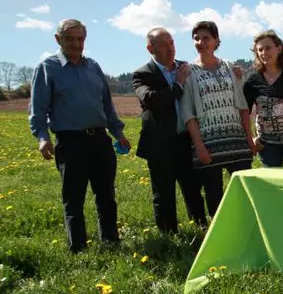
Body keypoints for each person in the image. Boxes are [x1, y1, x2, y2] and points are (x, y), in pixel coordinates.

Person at [29, 19, 130, 252]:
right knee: (74, 198)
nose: (76, 44)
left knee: (106, 194)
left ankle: (111, 241)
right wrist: (42, 137)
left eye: (80, 39)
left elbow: (106, 103)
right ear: (58, 40)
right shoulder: (48, 67)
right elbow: (38, 108)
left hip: (99, 139)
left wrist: (117, 132)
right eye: (70, 39)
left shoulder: (93, 67)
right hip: (70, 142)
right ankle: (79, 248)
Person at [132, 28, 207, 233]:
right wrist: (178, 85)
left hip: (186, 140)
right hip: (159, 144)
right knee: (163, 193)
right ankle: (169, 235)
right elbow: (151, 100)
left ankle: (201, 229)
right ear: (150, 48)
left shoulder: (186, 67)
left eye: (171, 43)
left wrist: (234, 72)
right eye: (164, 45)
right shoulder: (143, 74)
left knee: (192, 189)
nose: (170, 48)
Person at [180, 20, 254, 218]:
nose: (201, 42)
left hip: (236, 142)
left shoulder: (230, 67)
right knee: (215, 199)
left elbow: (242, 105)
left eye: (206, 38)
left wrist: (249, 139)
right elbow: (188, 113)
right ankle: (220, 239)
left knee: (245, 195)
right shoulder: (189, 72)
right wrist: (199, 145)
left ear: (216, 41)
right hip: (208, 143)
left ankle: (247, 231)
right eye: (196, 38)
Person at [243, 30, 283, 168]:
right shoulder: (253, 81)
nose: (264, 52)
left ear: (279, 48)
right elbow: (244, 112)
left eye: (268, 48)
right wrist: (250, 138)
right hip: (266, 144)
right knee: (272, 182)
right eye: (260, 49)